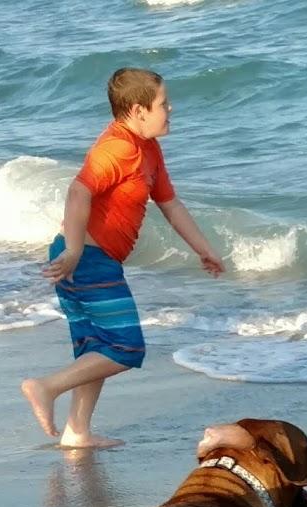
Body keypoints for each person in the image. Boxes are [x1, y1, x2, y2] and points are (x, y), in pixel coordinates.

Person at [21, 67, 223, 449]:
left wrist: (204, 249)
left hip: (88, 257)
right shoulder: (118, 147)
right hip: (86, 258)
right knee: (125, 347)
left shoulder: (149, 149)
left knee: (94, 347)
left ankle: (77, 431)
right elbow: (78, 191)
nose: (171, 109)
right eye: (163, 103)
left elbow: (170, 204)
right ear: (137, 110)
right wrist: (76, 250)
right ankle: (45, 387)